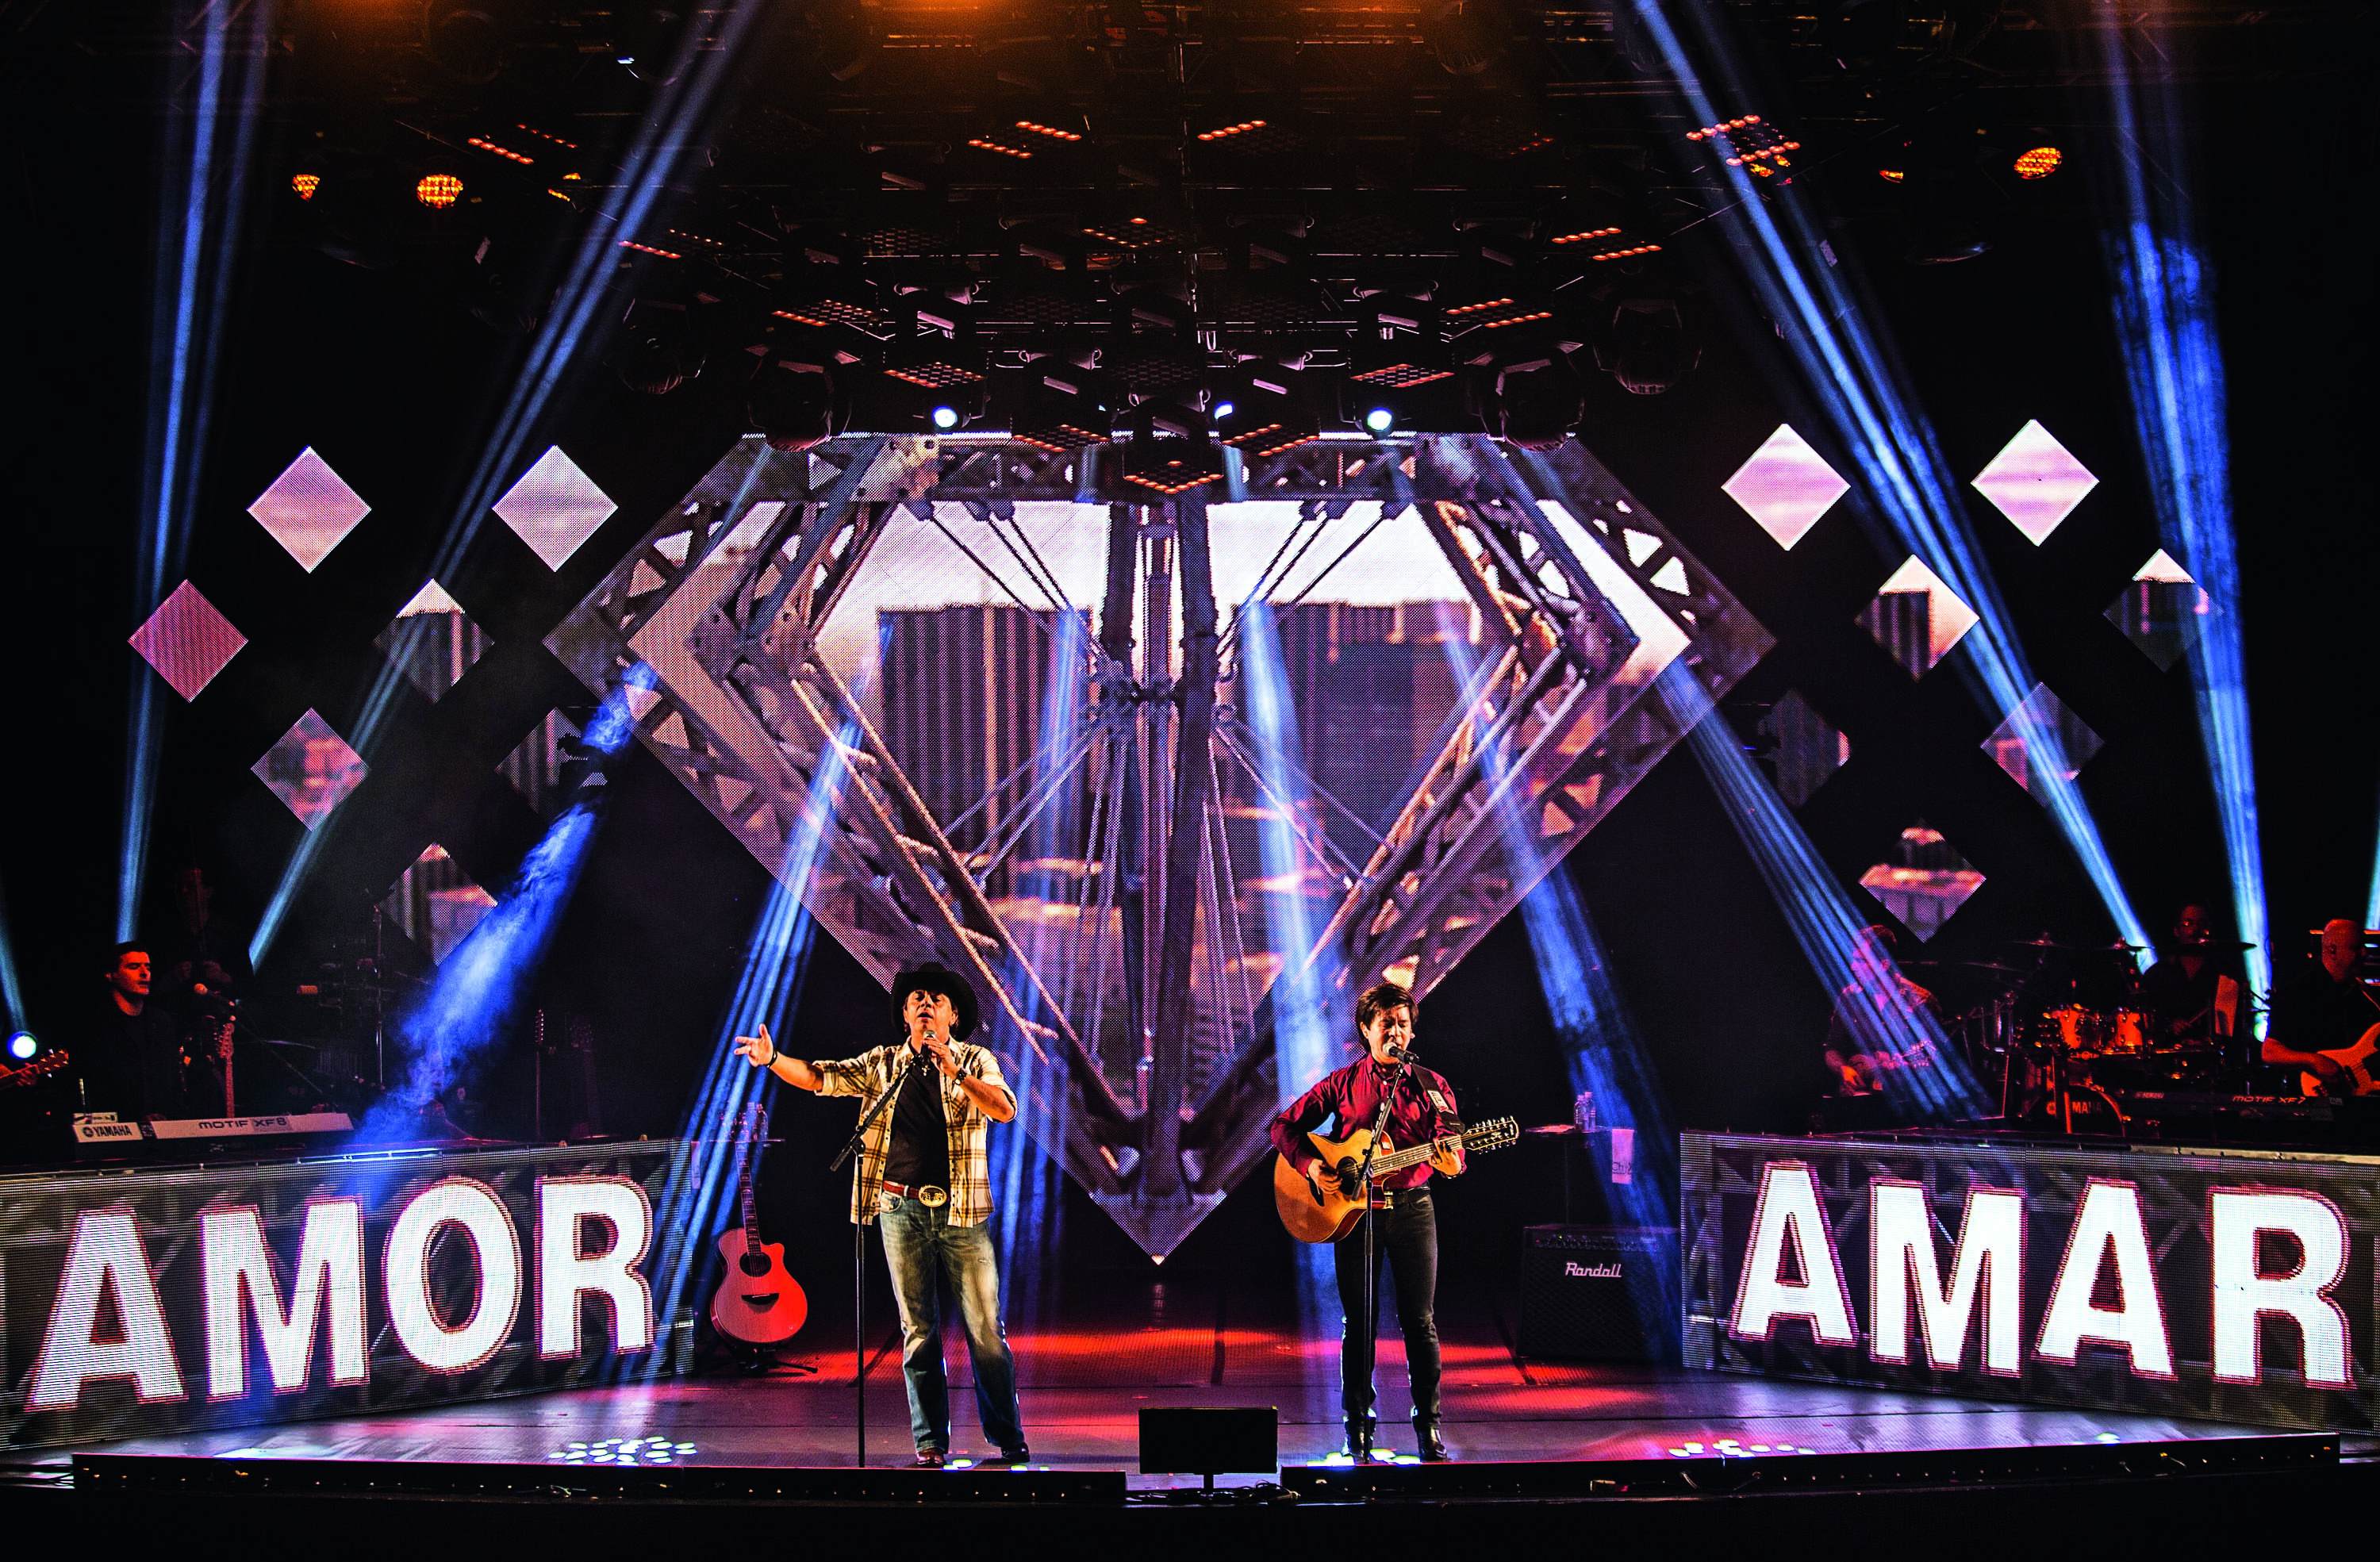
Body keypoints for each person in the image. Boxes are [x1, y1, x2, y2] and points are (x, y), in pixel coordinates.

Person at [733, 962, 1027, 1469]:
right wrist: (775, 1058)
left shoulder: (977, 1060)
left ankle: (1007, 1438)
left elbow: (1004, 1109)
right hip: (899, 1208)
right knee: (917, 1330)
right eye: (916, 999)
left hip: (962, 1211)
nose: (926, 1005)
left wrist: (954, 1074)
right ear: (906, 1015)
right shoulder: (883, 1065)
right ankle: (931, 1442)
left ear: (953, 1015)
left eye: (936, 999)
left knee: (984, 1329)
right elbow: (821, 1078)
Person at [1269, 979, 1465, 1464]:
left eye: (1403, 1025)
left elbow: (1454, 1152)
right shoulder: (1343, 1083)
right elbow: (1283, 1126)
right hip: (1356, 1216)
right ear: (1366, 1030)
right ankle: (1357, 1430)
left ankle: (1429, 1429)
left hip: (1413, 1209)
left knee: (1420, 1323)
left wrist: (1452, 1158)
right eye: (1386, 1025)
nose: (1396, 1033)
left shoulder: (1433, 1087)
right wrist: (1314, 1166)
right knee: (1358, 1324)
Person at [1822, 925, 1944, 1097]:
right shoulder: (1850, 996)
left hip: (1908, 1099)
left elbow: (1932, 1060)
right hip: (1858, 1100)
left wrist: (1890, 1069)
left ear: (1884, 964)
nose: (1853, 966)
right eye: (1853, 959)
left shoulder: (1920, 1002)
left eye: (1861, 961)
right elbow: (1833, 1049)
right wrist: (1844, 1069)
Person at [79, 942, 191, 1122]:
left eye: (147, 967)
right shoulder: (97, 1023)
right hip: (117, 1130)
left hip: (164, 1130)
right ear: (111, 975)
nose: (144, 972)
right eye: (133, 967)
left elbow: (172, 1080)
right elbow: (97, 1084)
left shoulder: (161, 1021)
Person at [2263, 919, 2380, 1090]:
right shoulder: (2299, 992)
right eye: (2355, 948)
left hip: (2358, 1098)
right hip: (2312, 1096)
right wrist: (2315, 1060)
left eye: (2365, 947)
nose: (2364, 953)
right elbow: (2270, 1052)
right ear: (2332, 949)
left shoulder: (2364, 995)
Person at [2136, 902, 2239, 1046]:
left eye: (2202, 923)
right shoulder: (2156, 974)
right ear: (2176, 931)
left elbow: (2234, 1026)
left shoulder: (2226, 972)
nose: (2195, 929)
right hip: (2166, 1056)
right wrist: (2168, 1025)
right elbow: (2145, 1019)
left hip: (2213, 1057)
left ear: (2209, 928)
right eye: (2187, 924)